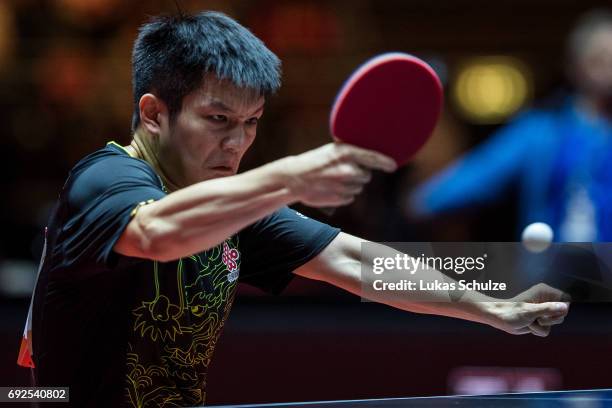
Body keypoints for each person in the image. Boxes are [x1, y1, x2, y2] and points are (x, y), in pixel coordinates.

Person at [20, 11, 569, 408]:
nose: (237, 143)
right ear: (154, 113)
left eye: (251, 122)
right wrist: (290, 175)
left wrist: (492, 308)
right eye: (217, 120)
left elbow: (363, 263)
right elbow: (160, 232)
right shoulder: (106, 178)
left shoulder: (235, 206)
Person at [409, 10, 612, 242]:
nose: (608, 69)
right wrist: (427, 200)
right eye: (599, 59)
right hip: (557, 270)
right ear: (576, 66)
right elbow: (483, 171)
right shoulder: (543, 129)